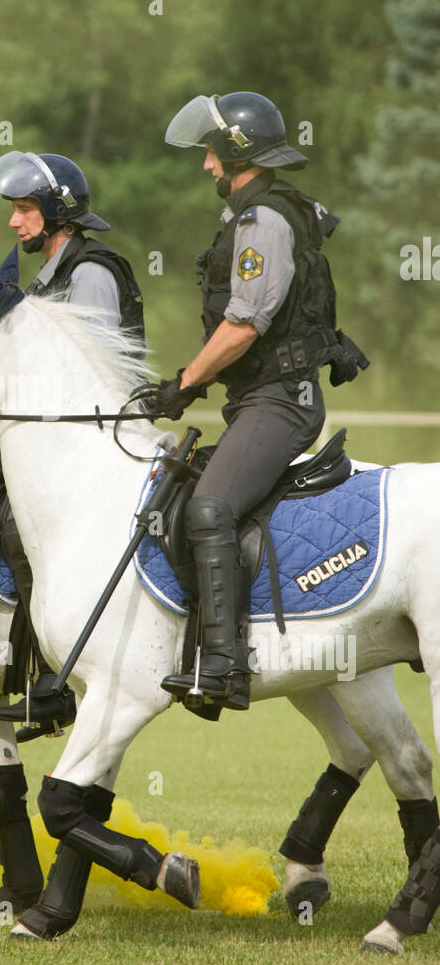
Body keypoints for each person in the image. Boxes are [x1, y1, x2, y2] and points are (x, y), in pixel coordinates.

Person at [149, 92, 368, 714]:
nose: (206, 166)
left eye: (212, 154)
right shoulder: (251, 216)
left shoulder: (263, 221)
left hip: (280, 402)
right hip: (259, 399)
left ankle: (223, 666)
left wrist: (186, 382)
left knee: (211, 508)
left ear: (236, 152)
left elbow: (245, 324)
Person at [0, 150, 146, 735]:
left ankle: (56, 681)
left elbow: (89, 375)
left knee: (20, 531)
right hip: (62, 441)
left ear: (57, 214)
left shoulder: (90, 272)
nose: (14, 222)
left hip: (99, 447)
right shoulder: (50, 274)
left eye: (24, 210)